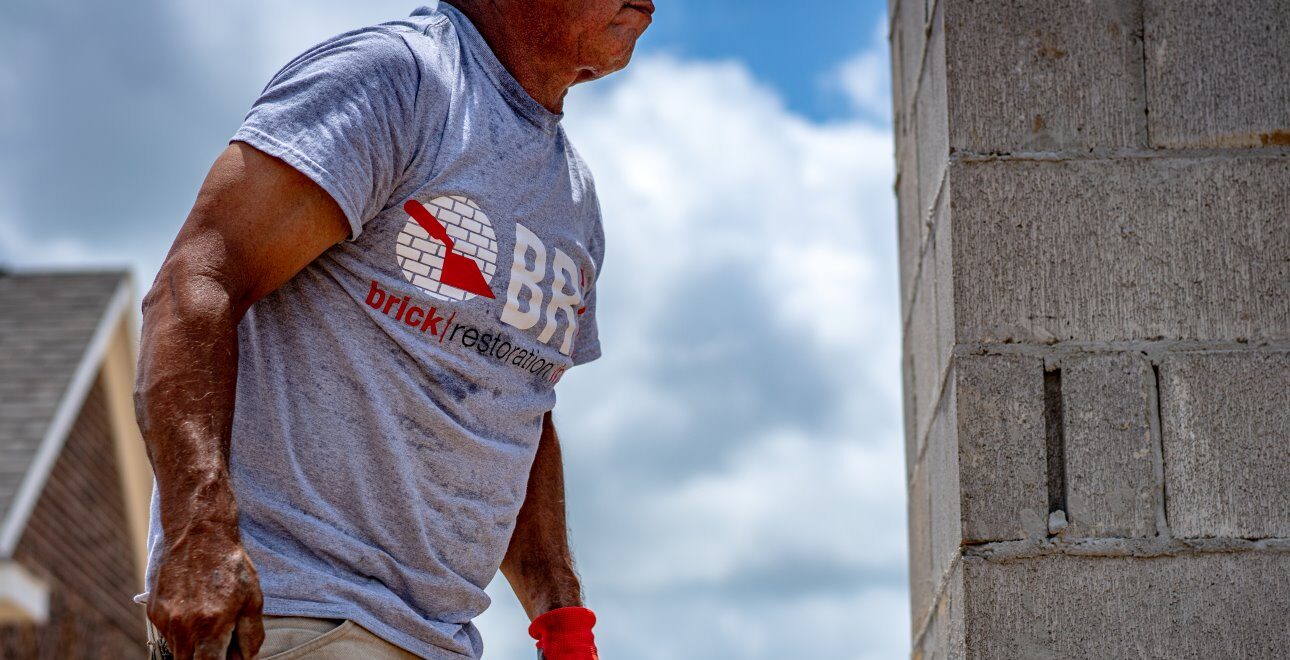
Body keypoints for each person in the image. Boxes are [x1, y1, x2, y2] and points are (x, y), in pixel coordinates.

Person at [133, 1, 653, 658]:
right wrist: (196, 533)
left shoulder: (573, 197)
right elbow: (193, 286)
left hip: (441, 641)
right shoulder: (398, 79)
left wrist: (564, 625)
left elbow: (518, 405)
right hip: (294, 618)